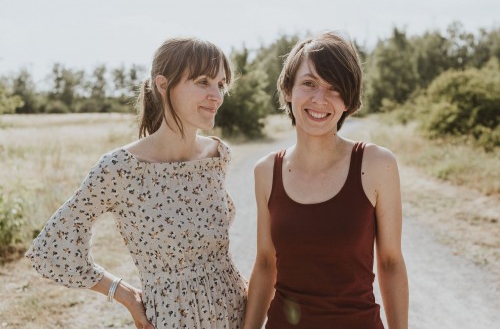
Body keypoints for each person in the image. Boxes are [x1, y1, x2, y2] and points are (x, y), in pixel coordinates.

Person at [26, 37, 247, 329]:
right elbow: (51, 247)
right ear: (163, 85)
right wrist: (124, 293)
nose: (216, 95)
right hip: (172, 319)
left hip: (236, 311)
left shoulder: (218, 155)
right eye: (203, 81)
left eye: (221, 84)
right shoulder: (120, 169)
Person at [243, 32, 409, 329]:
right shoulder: (266, 171)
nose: (320, 99)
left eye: (334, 89)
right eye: (309, 83)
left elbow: (390, 262)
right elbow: (267, 264)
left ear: (349, 101)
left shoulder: (376, 164)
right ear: (288, 90)